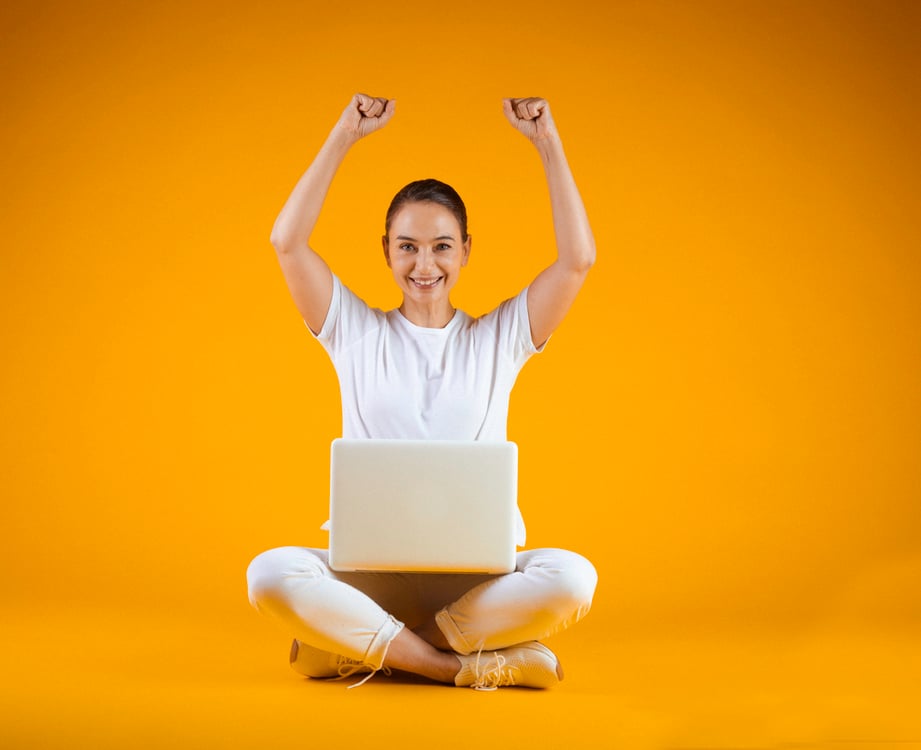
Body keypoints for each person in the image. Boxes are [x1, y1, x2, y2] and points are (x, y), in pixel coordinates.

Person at [247, 93, 598, 690]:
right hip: (369, 574)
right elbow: (287, 242)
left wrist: (547, 143)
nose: (424, 264)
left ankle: (368, 648)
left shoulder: (501, 338)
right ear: (386, 252)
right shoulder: (353, 332)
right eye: (407, 246)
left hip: (474, 582)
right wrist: (344, 134)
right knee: (269, 574)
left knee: (574, 577)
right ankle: (453, 667)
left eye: (441, 246)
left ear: (465, 251)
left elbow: (577, 260)